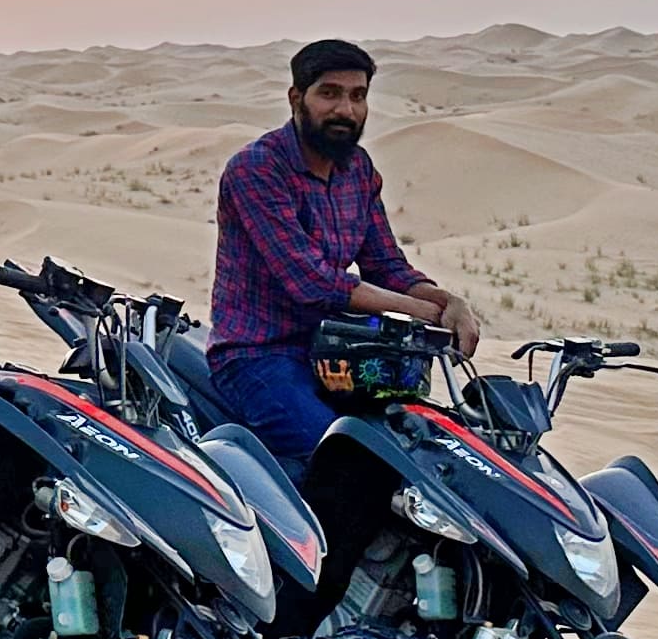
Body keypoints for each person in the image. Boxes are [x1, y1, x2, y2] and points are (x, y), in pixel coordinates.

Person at [207, 39, 482, 473]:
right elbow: (311, 282)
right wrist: (420, 310)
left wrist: (450, 303)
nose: (346, 111)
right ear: (297, 98)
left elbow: (386, 265)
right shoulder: (257, 169)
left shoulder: (357, 169)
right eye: (330, 93)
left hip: (340, 352)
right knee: (346, 463)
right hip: (259, 354)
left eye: (358, 96)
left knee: (430, 454)